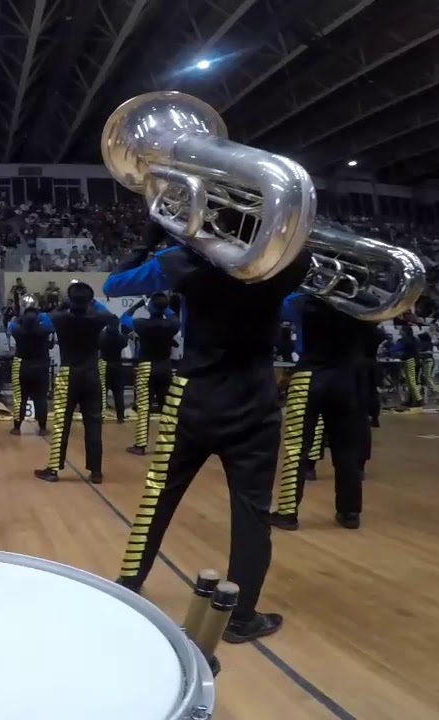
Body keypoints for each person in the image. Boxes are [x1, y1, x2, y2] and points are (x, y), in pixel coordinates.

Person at [102, 219, 310, 643]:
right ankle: (241, 616)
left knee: (160, 493)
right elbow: (301, 253)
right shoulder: (285, 260)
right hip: (254, 400)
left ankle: (129, 581)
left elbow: (115, 284)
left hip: (194, 396)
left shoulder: (185, 261)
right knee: (252, 514)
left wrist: (149, 243)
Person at [269, 292, 377, 531]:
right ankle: (350, 513)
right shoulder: (363, 305)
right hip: (347, 381)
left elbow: (282, 303)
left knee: (296, 448)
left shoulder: (303, 301)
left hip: (309, 377)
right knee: (347, 450)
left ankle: (287, 513)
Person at [35, 283, 114, 483]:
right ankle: (96, 472)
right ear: (89, 300)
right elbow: (111, 316)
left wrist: (64, 303)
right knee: (94, 424)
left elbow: (44, 317)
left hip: (68, 374)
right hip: (92, 374)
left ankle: (53, 470)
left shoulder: (60, 318)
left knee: (62, 423)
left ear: (70, 299)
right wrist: (92, 301)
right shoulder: (98, 318)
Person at [123, 294, 179, 455]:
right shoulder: (172, 324)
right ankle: (169, 444)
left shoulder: (141, 324)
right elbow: (173, 315)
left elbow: (124, 318)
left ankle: (140, 445)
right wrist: (163, 304)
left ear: (150, 308)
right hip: (165, 366)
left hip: (146, 367)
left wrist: (139, 304)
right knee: (166, 406)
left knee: (143, 406)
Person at [8, 305, 53, 436]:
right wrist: (42, 315)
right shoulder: (44, 330)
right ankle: (43, 428)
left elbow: (13, 323)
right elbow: (49, 323)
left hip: (22, 367)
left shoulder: (17, 331)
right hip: (40, 368)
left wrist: (18, 317)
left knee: (20, 399)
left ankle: (17, 428)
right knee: (40, 399)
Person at [98, 315, 132, 424]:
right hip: (117, 365)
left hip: (104, 365)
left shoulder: (101, 336)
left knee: (102, 392)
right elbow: (125, 342)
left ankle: (100, 416)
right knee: (118, 393)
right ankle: (120, 418)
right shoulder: (121, 337)